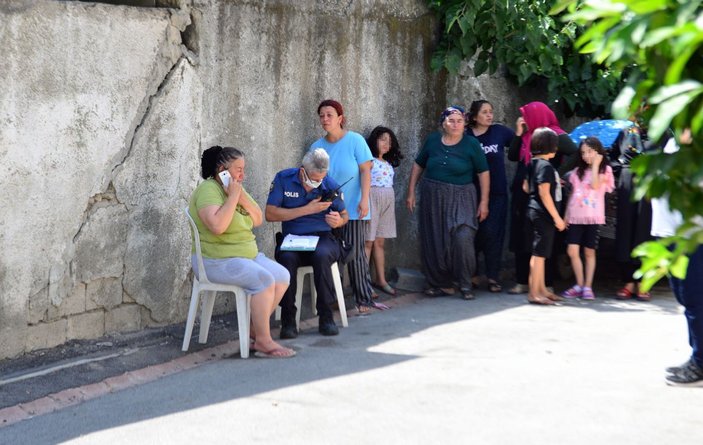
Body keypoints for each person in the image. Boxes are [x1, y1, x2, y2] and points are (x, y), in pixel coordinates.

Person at [189, 146, 294, 358]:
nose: (242, 175)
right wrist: (232, 198)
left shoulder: (236, 188)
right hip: (216, 260)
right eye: (238, 169)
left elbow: (257, 218)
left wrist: (239, 196)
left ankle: (255, 329)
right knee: (264, 280)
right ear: (222, 170)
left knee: (282, 276)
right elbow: (218, 226)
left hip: (247, 256)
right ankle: (263, 341)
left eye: (243, 169)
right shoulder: (208, 191)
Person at [406, 106, 490, 301]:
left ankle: (465, 282)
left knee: (463, 237)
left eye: (459, 120)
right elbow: (419, 164)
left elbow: (483, 173)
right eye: (451, 120)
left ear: (465, 123)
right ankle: (440, 284)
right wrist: (411, 192)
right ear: (443, 123)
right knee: (435, 239)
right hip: (433, 195)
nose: (455, 124)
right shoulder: (433, 140)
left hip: (462, 196)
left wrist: (484, 202)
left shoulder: (471, 144)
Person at [265, 149, 349, 338]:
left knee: (322, 256)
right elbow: (270, 214)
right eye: (313, 178)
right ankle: (288, 321)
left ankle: (326, 317)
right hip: (293, 238)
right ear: (303, 170)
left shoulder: (329, 185)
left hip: (322, 237)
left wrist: (338, 220)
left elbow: (345, 215)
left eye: (321, 178)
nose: (317, 182)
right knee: (286, 258)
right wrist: (307, 210)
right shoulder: (283, 179)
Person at [310, 99, 383, 313]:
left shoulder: (355, 140)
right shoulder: (317, 147)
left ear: (340, 118)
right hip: (327, 211)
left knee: (356, 254)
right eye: (322, 115)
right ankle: (333, 301)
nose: (325, 119)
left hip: (353, 207)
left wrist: (364, 199)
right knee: (331, 254)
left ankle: (364, 300)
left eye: (329, 115)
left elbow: (365, 171)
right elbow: (313, 178)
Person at [507, 101, 578, 295]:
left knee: (545, 239)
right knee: (521, 236)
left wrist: (557, 173)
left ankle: (546, 283)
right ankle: (523, 281)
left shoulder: (554, 135)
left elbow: (576, 153)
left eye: (526, 115)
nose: (523, 119)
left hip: (545, 190)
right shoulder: (528, 135)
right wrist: (519, 133)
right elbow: (513, 156)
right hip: (524, 191)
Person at [650, 132, 703, 386]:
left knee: (696, 299)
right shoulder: (672, 143)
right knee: (686, 298)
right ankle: (697, 358)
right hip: (670, 234)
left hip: (693, 236)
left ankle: (701, 365)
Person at [466, 99, 515, 293]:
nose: (489, 115)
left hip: (497, 193)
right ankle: (473, 274)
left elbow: (520, 146)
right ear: (475, 116)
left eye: (491, 112)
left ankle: (493, 276)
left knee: (493, 233)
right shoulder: (466, 135)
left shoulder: (500, 132)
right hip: (470, 192)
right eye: (484, 112)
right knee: (473, 234)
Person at [560, 137, 615, 300]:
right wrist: (566, 215)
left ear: (598, 152)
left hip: (593, 217)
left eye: (590, 152)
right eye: (583, 152)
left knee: (589, 252)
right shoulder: (578, 171)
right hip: (576, 216)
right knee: (572, 250)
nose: (586, 156)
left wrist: (597, 165)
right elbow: (572, 194)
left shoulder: (605, 170)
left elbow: (596, 186)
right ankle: (580, 283)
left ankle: (588, 286)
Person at [523, 128, 567, 305]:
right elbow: (544, 193)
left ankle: (541, 289)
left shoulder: (532, 163)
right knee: (539, 255)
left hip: (533, 211)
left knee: (540, 254)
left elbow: (526, 187)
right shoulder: (546, 166)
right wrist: (557, 218)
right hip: (543, 215)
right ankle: (534, 293)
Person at [611, 125, 654, 301]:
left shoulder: (661, 131)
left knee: (645, 230)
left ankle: (644, 282)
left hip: (650, 182)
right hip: (628, 180)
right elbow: (612, 157)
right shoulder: (625, 133)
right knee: (626, 230)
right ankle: (628, 281)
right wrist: (621, 170)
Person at [364, 126, 403, 296]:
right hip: (372, 199)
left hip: (387, 201)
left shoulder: (387, 164)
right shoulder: (369, 161)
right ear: (374, 141)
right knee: (368, 242)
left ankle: (380, 279)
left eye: (389, 140)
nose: (387, 143)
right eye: (382, 140)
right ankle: (363, 282)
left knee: (380, 243)